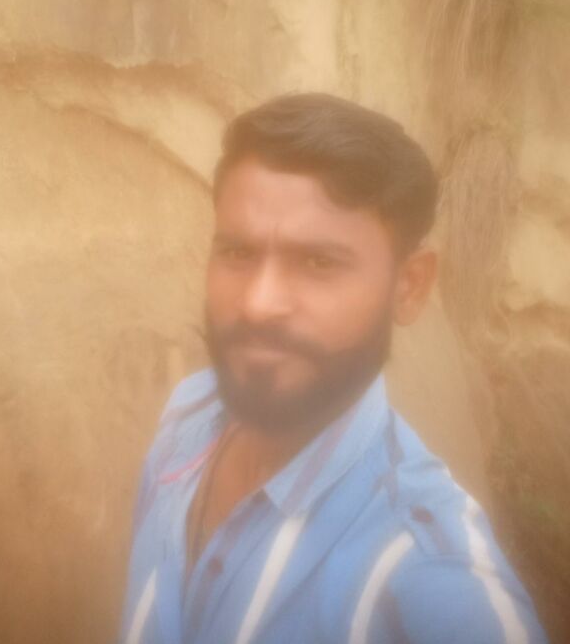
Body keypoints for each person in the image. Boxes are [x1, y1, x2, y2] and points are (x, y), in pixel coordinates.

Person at [118, 93, 547, 644]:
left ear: (409, 286)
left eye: (318, 262)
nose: (257, 304)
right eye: (237, 253)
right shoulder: (187, 415)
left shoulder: (427, 576)